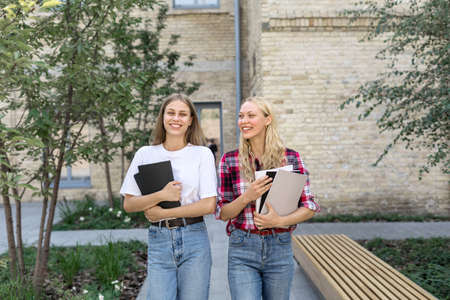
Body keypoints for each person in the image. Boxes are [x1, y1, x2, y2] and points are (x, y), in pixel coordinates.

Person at [216, 97, 320, 300]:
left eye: (251, 115)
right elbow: (222, 212)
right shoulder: (229, 160)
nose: (243, 121)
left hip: (279, 247)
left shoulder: (290, 158)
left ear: (267, 119)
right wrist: (247, 197)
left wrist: (279, 221)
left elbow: (309, 206)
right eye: (241, 116)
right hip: (242, 248)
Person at [120, 93, 217, 300]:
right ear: (162, 117)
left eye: (183, 114)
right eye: (171, 113)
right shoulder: (145, 153)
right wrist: (161, 195)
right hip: (160, 240)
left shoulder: (202, 154)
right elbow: (129, 203)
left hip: (194, 239)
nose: (176, 118)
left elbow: (209, 205)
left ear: (191, 120)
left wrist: (164, 212)